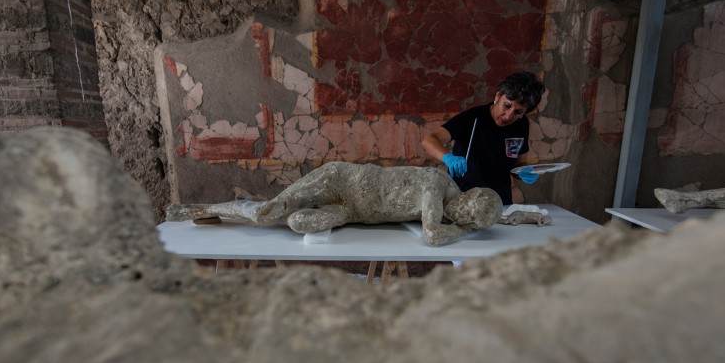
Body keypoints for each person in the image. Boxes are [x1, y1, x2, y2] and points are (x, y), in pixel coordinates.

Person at [166, 162, 503, 246]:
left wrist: (521, 217)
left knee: (298, 223)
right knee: (269, 214)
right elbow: (432, 235)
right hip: (343, 180)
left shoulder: (449, 208)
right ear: (470, 194)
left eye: (472, 220)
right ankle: (205, 209)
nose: (463, 216)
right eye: (469, 209)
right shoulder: (438, 182)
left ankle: (248, 208)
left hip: (349, 212)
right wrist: (459, 230)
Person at [422, 71, 546, 205]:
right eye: (507, 105)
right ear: (498, 96)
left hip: (499, 202)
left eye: (518, 112)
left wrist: (524, 172)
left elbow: (520, 163)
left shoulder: (521, 124)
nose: (508, 116)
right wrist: (448, 157)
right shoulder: (472, 117)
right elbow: (429, 140)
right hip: (463, 199)